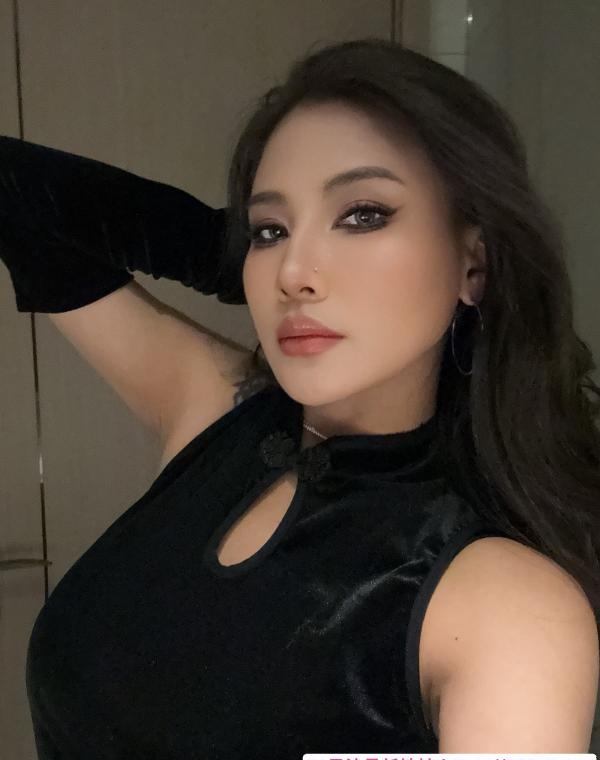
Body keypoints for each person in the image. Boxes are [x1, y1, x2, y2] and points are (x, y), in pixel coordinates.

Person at [1, 37, 599, 757]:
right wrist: (221, 255)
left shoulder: (506, 609)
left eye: (363, 215)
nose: (293, 271)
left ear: (474, 263)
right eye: (269, 229)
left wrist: (270, 250)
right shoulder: (219, 414)